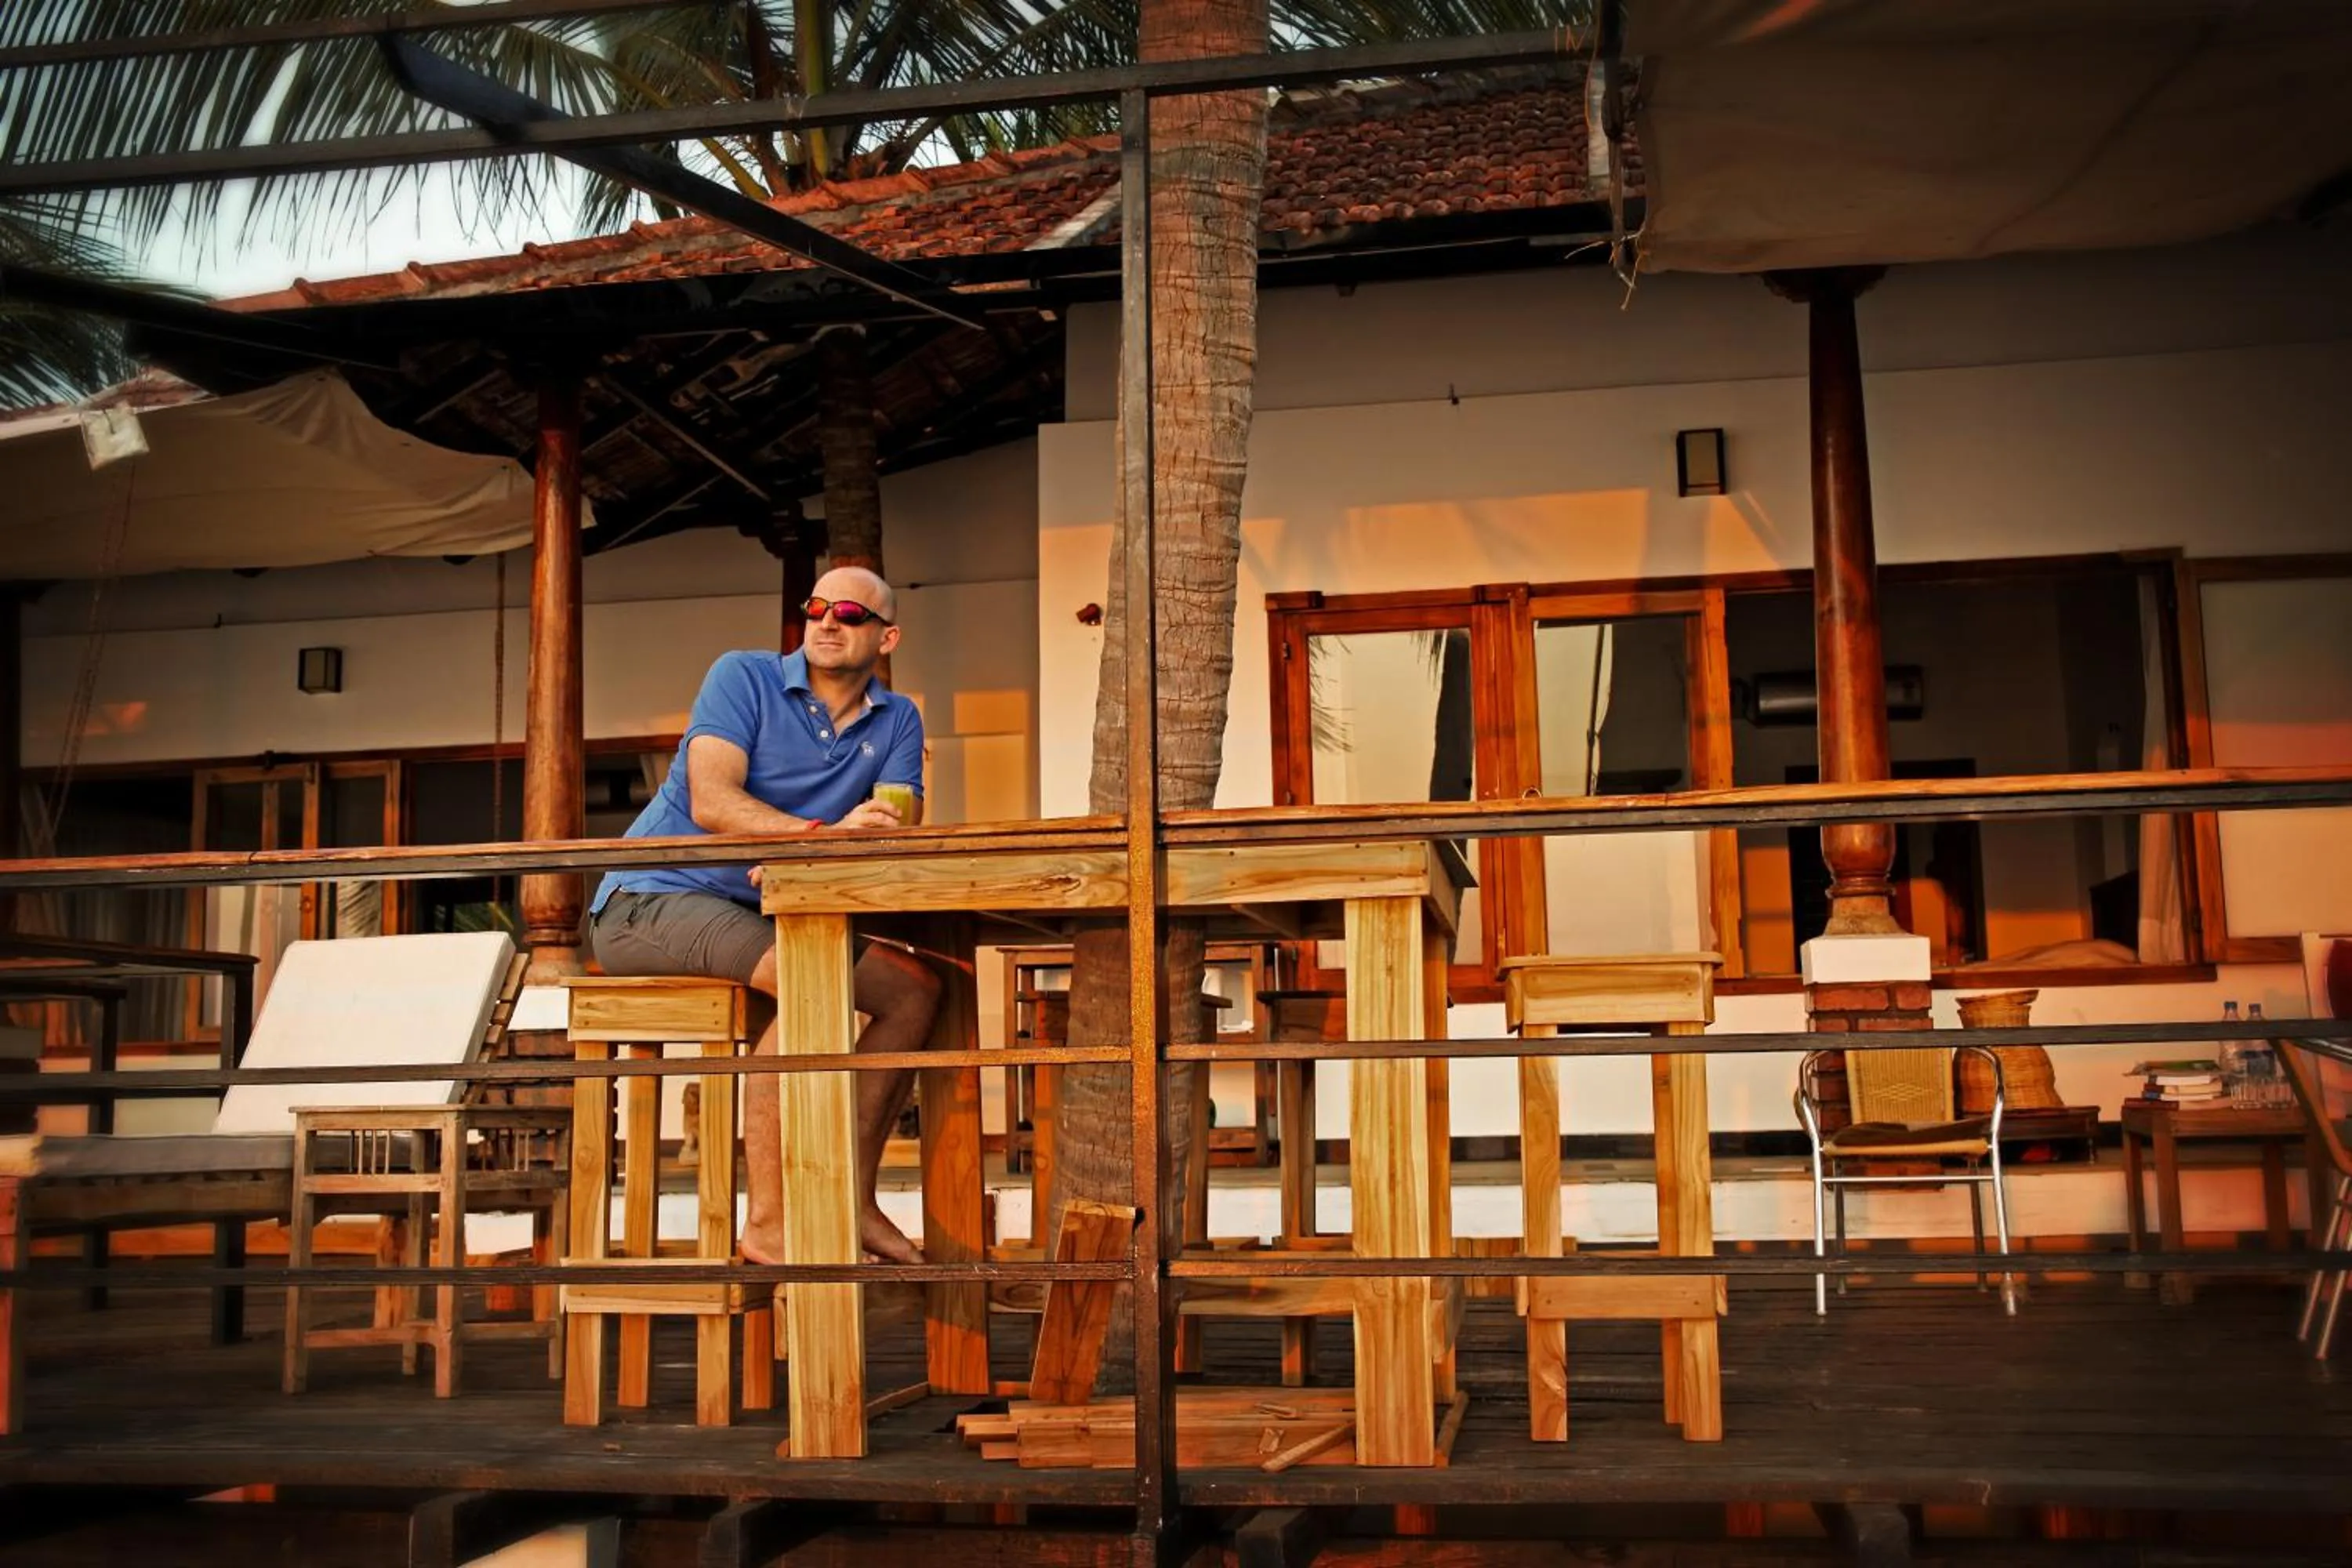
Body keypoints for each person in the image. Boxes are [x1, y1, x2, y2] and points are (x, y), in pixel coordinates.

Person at [589, 565, 940, 1264]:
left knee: (914, 991)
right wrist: (818, 838)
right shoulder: (742, 676)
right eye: (817, 607)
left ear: (887, 638)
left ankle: (854, 1200)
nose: (828, 620)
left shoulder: (897, 717)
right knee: (808, 981)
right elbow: (712, 800)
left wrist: (864, 832)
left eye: (850, 613)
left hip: (762, 910)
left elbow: (899, 818)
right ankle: (769, 1222)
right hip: (649, 899)